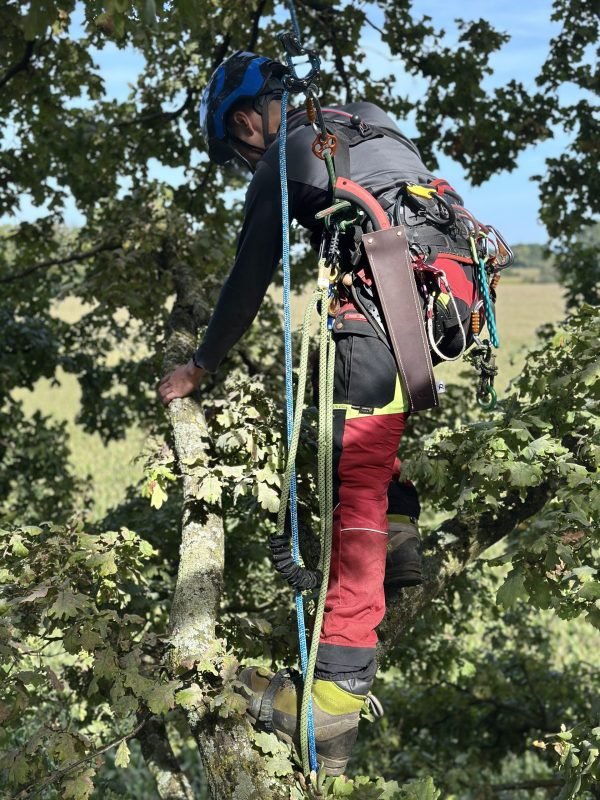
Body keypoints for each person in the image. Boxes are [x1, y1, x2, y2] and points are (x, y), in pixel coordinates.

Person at [158, 50, 474, 776]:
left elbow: (246, 279)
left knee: (352, 484)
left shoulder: (282, 161)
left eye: (236, 149)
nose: (244, 162)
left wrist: (199, 365)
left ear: (244, 120)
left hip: (376, 312)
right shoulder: (367, 124)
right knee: (371, 458)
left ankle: (332, 702)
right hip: (430, 309)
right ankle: (399, 542)